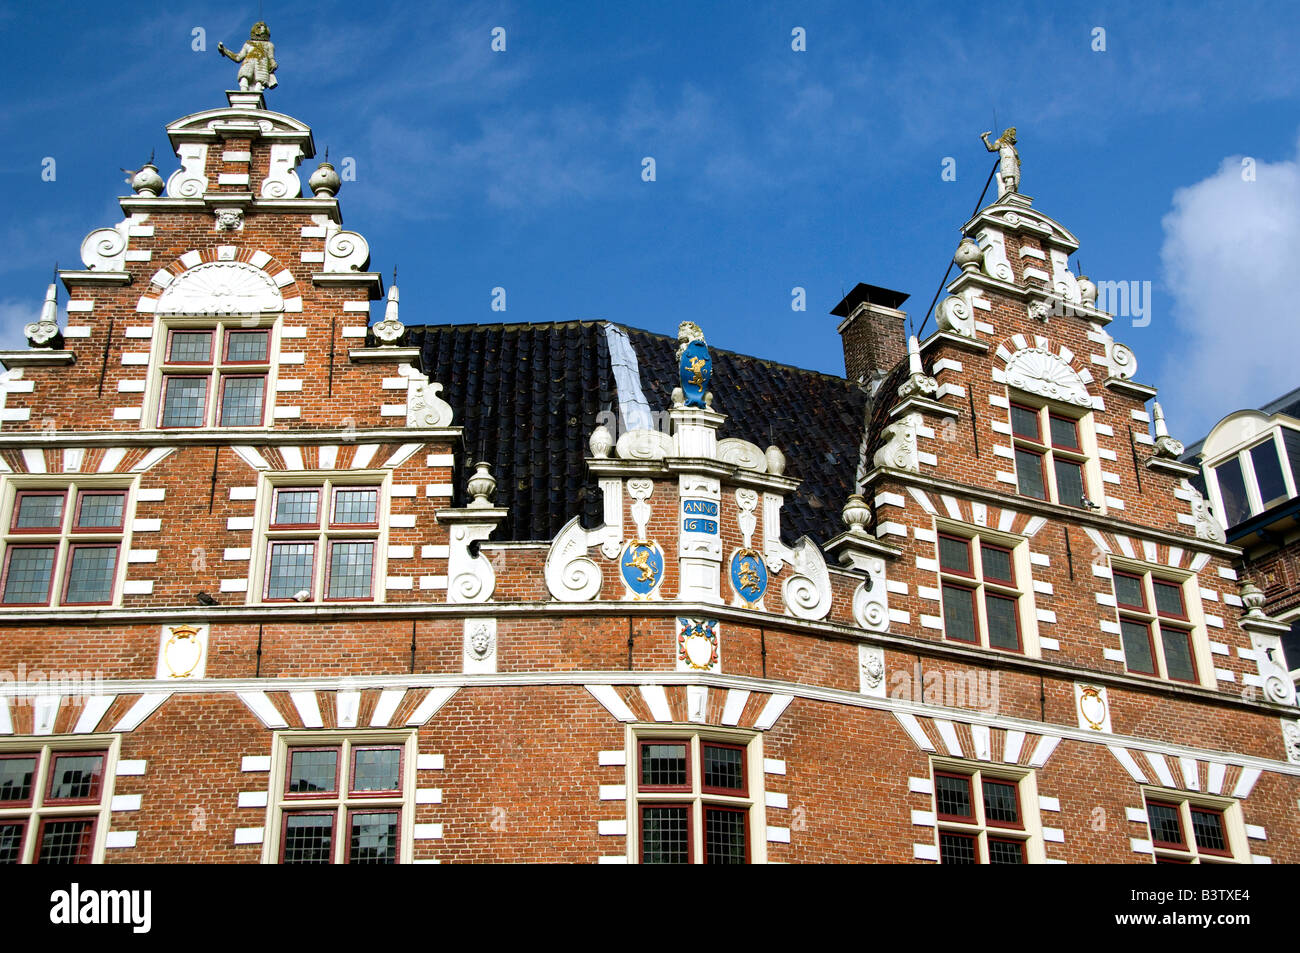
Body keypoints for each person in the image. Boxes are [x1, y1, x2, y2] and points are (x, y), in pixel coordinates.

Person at [218, 21, 278, 92]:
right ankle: (244, 92)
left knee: (260, 81)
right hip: (249, 62)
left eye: (263, 27)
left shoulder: (269, 45)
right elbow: (238, 57)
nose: (261, 28)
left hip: (262, 63)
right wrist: (224, 50)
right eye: (259, 27)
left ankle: (256, 92)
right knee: (244, 77)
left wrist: (273, 63)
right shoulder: (248, 44)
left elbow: (271, 57)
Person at [981, 127, 1020, 196]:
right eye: (1012, 134)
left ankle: (1012, 196)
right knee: (1009, 180)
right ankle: (1008, 195)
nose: (1013, 136)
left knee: (1015, 184)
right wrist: (985, 139)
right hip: (1007, 163)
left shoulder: (1013, 148)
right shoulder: (1001, 142)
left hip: (1014, 165)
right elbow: (991, 148)